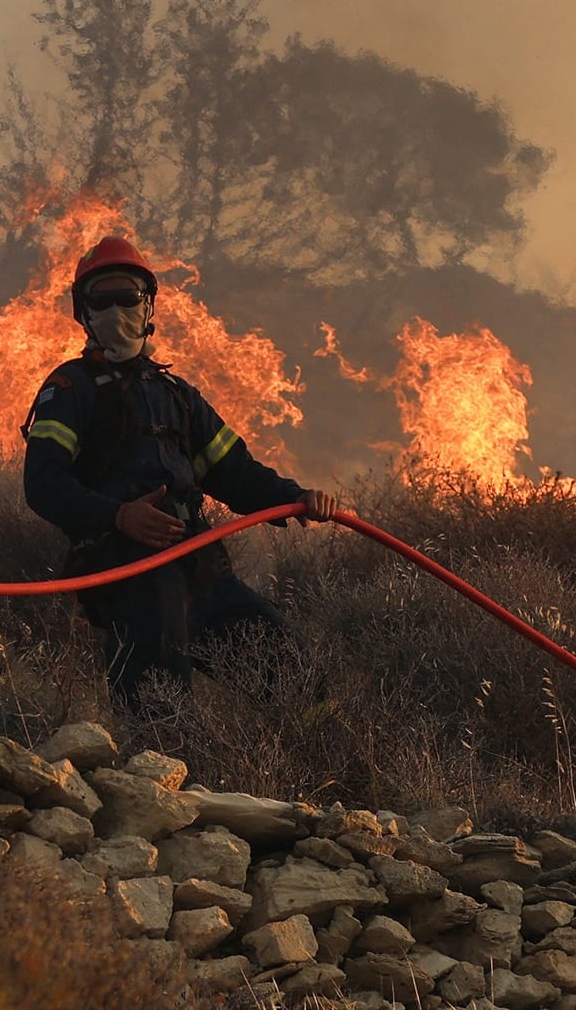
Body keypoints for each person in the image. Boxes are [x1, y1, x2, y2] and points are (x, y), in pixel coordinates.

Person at [21, 235, 347, 712]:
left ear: (148, 305)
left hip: (203, 571)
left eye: (126, 296)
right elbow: (44, 484)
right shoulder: (70, 389)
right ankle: (158, 786)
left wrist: (297, 497)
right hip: (133, 577)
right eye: (101, 298)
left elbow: (234, 472)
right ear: (83, 312)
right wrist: (118, 516)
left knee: (300, 683)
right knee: (163, 722)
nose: (115, 309)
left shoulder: (176, 394)